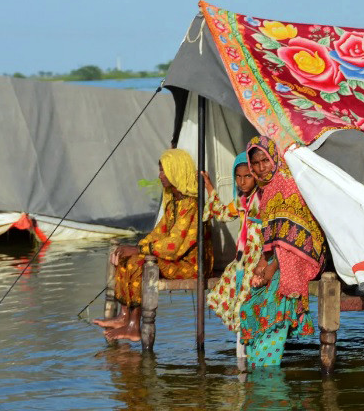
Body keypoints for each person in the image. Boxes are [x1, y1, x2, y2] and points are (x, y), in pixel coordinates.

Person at [95, 149, 213, 341]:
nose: (160, 176)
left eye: (164, 171)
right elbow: (159, 233)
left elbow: (173, 246)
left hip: (192, 266)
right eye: (160, 171)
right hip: (175, 261)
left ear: (177, 171)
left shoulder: (192, 205)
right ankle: (125, 317)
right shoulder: (174, 203)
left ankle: (134, 327)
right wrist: (134, 247)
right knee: (128, 259)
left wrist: (139, 250)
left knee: (137, 263)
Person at [239, 135, 326, 369]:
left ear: (273, 157)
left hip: (304, 252)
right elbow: (274, 237)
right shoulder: (266, 191)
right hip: (281, 254)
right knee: (250, 299)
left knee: (274, 297)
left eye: (264, 161)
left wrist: (270, 269)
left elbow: (291, 236)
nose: (260, 168)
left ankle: (268, 362)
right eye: (254, 163)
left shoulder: (287, 182)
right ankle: (260, 358)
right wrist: (261, 265)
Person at [202, 152, 262, 359]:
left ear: (256, 175)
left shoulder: (262, 199)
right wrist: (209, 186)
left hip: (258, 258)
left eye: (248, 176)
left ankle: (245, 349)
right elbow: (221, 213)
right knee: (230, 289)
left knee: (244, 298)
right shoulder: (241, 201)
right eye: (238, 176)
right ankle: (242, 349)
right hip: (244, 258)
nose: (242, 181)